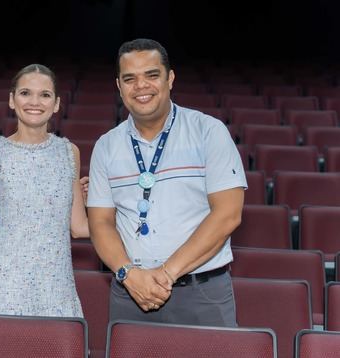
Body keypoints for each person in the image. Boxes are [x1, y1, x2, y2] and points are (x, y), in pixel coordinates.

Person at [87, 38, 246, 327]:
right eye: (130, 79)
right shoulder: (106, 146)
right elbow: (100, 223)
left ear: (170, 78)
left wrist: (166, 274)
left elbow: (228, 214)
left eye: (151, 75)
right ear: (119, 86)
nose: (141, 86)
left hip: (203, 294)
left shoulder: (209, 132)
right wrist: (129, 275)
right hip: (129, 293)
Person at [0, 64, 88, 317]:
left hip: (56, 287)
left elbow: (79, 227)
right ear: (12, 100)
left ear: (56, 104)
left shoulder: (70, 153)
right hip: (4, 286)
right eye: (25, 93)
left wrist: (117, 206)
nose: (35, 101)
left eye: (45, 95)